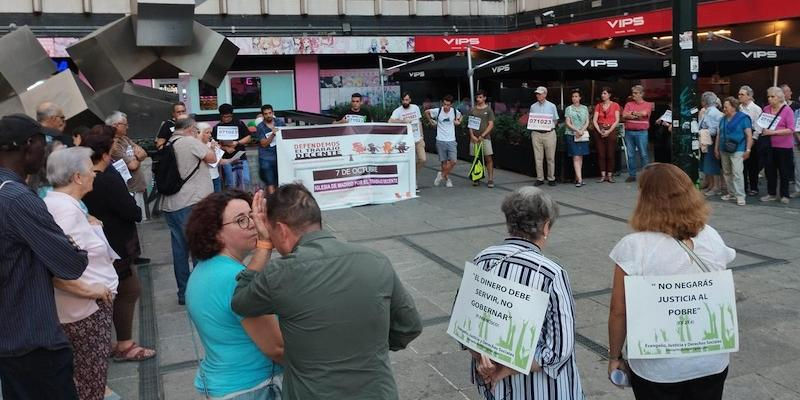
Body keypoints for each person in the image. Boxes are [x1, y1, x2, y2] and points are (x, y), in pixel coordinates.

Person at [231, 183, 422, 399]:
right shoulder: (376, 260)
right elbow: (410, 326)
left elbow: (240, 302)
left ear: (282, 230)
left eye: (272, 236)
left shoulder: (280, 272)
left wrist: (263, 245)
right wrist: (370, 349)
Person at [607, 163, 735, 400]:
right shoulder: (712, 236)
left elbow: (619, 311)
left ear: (645, 200)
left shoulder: (634, 246)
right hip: (710, 360)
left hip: (658, 367)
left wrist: (615, 356)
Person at [0, 114, 88, 399]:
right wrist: (71, 245)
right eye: (43, 142)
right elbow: (71, 264)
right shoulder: (18, 199)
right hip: (33, 340)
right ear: (28, 144)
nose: (46, 151)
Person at [468, 186, 584, 399]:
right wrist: (506, 369)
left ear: (509, 223)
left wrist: (481, 358)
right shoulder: (551, 274)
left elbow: (466, 325)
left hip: (496, 390)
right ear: (546, 227)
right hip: (543, 392)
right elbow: (559, 350)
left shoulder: (482, 259)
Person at [185, 190, 284, 399]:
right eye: (241, 220)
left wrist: (264, 245)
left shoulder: (206, 269)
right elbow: (276, 347)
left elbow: (249, 274)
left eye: (252, 216)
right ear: (215, 233)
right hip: (253, 387)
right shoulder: (232, 278)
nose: (253, 224)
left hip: (222, 383)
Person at [43, 147, 118, 400]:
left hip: (83, 307)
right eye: (89, 169)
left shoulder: (61, 204)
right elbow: (55, 267)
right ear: (77, 177)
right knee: (90, 382)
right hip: (83, 311)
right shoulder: (64, 211)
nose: (94, 173)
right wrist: (92, 291)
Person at [80, 126, 156, 362]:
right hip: (113, 242)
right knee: (128, 290)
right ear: (105, 153)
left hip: (101, 242)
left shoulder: (84, 174)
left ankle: (109, 342)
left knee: (114, 291)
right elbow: (131, 211)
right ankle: (124, 344)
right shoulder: (106, 178)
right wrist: (132, 207)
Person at [161, 117, 215, 305]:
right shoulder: (190, 142)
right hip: (190, 202)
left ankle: (184, 292)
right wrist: (205, 143)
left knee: (179, 251)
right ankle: (200, 292)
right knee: (198, 248)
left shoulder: (170, 143)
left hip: (172, 204)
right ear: (191, 129)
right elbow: (212, 158)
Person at [107, 111, 149, 221]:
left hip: (137, 188)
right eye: (125, 125)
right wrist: (138, 157)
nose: (127, 127)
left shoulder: (125, 139)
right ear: (115, 125)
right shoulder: (113, 145)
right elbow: (133, 165)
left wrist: (137, 157)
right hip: (130, 190)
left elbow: (144, 152)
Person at [760, 86, 796, 204]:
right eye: (768, 96)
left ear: (779, 97)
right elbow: (762, 123)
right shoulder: (766, 109)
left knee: (784, 171)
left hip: (784, 146)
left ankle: (785, 194)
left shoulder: (787, 110)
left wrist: (773, 132)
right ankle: (771, 193)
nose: (770, 99)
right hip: (769, 145)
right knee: (769, 170)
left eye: (773, 96)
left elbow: (791, 129)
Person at [714, 97, 753, 206]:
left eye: (726, 107)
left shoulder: (743, 118)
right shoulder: (723, 119)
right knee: (726, 172)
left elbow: (749, 135)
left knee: (737, 172)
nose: (724, 109)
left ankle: (740, 196)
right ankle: (731, 193)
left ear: (733, 107)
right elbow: (719, 134)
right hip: (723, 148)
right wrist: (716, 148)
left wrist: (748, 149)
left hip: (738, 148)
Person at [388, 93, 426, 191]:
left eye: (407, 100)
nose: (405, 102)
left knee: (423, 159)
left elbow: (419, 122)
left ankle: (412, 175)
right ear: (401, 100)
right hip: (407, 140)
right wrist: (402, 121)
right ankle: (412, 181)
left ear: (410, 100)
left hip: (418, 138)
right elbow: (390, 121)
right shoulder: (398, 111)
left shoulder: (415, 108)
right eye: (404, 100)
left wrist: (422, 136)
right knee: (410, 161)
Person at [425, 94, 462, 188]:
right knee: (443, 162)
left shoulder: (454, 111)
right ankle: (447, 179)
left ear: (451, 105)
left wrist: (458, 121)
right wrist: (431, 121)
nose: (446, 106)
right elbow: (426, 112)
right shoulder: (438, 111)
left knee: (453, 161)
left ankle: (441, 175)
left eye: (448, 105)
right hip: (440, 139)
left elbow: (460, 116)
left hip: (451, 140)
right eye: (444, 104)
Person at [212, 104, 252, 190]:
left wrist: (237, 143)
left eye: (229, 116)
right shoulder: (217, 127)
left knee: (245, 180)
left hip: (240, 156)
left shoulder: (239, 124)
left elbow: (248, 137)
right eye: (224, 117)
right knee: (231, 182)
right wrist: (225, 148)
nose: (226, 119)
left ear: (232, 115)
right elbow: (214, 143)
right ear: (221, 116)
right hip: (226, 159)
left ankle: (243, 196)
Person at [529, 86, 560, 186]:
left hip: (549, 134)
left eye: (540, 93)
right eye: (537, 94)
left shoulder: (552, 106)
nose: (538, 95)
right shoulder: (533, 107)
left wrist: (549, 126)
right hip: (536, 133)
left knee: (550, 157)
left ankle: (551, 178)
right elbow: (531, 119)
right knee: (538, 158)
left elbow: (555, 120)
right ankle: (540, 178)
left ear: (545, 94)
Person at [622, 85, 653, 182]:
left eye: (635, 93)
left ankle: (647, 176)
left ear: (641, 94)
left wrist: (631, 113)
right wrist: (637, 114)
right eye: (633, 93)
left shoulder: (648, 104)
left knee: (643, 154)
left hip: (641, 132)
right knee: (630, 154)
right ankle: (632, 175)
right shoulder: (628, 104)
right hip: (629, 132)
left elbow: (644, 113)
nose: (633, 95)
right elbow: (624, 115)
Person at [737, 86, 763, 196]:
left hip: (752, 136)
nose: (739, 96)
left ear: (749, 96)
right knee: (741, 164)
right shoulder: (739, 108)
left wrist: (752, 142)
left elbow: (758, 128)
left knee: (753, 165)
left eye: (742, 94)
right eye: (739, 94)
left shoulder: (756, 109)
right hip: (740, 137)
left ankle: (754, 187)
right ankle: (743, 187)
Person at [467, 90, 496, 188]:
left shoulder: (488, 110)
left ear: (484, 98)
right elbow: (470, 124)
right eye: (477, 97)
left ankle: (490, 179)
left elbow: (491, 124)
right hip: (474, 138)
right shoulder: (473, 110)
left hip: (485, 138)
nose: (478, 99)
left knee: (488, 158)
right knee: (476, 158)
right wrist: (472, 136)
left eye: (480, 97)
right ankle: (476, 177)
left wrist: (483, 135)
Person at [592, 87, 621, 183]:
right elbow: (594, 120)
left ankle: (610, 175)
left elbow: (617, 120)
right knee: (601, 154)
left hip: (611, 129)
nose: (602, 95)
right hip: (600, 129)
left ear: (609, 95)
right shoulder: (598, 106)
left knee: (610, 154)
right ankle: (603, 175)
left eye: (604, 93)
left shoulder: (615, 105)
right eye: (602, 93)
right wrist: (599, 131)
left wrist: (609, 131)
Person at [256, 104, 285, 194]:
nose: (268, 115)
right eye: (266, 114)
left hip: (279, 156)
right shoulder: (260, 127)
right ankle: (272, 200)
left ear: (273, 113)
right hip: (266, 158)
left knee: (280, 181)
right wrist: (273, 134)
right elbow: (263, 144)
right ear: (262, 115)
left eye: (270, 113)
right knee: (270, 182)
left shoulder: (280, 123)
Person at [699, 91, 724, 196]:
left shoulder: (712, 112)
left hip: (711, 140)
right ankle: (710, 185)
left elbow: (713, 130)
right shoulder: (708, 111)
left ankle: (716, 186)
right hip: (707, 140)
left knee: (712, 163)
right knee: (707, 163)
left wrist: (702, 131)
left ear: (704, 102)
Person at [564, 88, 590, 187]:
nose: (574, 98)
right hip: (572, 134)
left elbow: (587, 121)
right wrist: (577, 130)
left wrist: (582, 130)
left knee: (580, 156)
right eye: (573, 96)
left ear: (580, 98)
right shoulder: (569, 109)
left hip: (582, 134)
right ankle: (580, 179)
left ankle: (577, 177)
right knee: (576, 156)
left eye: (576, 96)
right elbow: (567, 122)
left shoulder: (584, 108)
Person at [196, 122, 225, 192]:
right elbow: (208, 161)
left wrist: (231, 160)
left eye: (210, 133)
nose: (210, 135)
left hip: (215, 176)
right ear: (199, 133)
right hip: (204, 179)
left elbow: (219, 161)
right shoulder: (196, 146)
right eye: (207, 133)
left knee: (217, 197)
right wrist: (212, 149)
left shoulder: (212, 144)